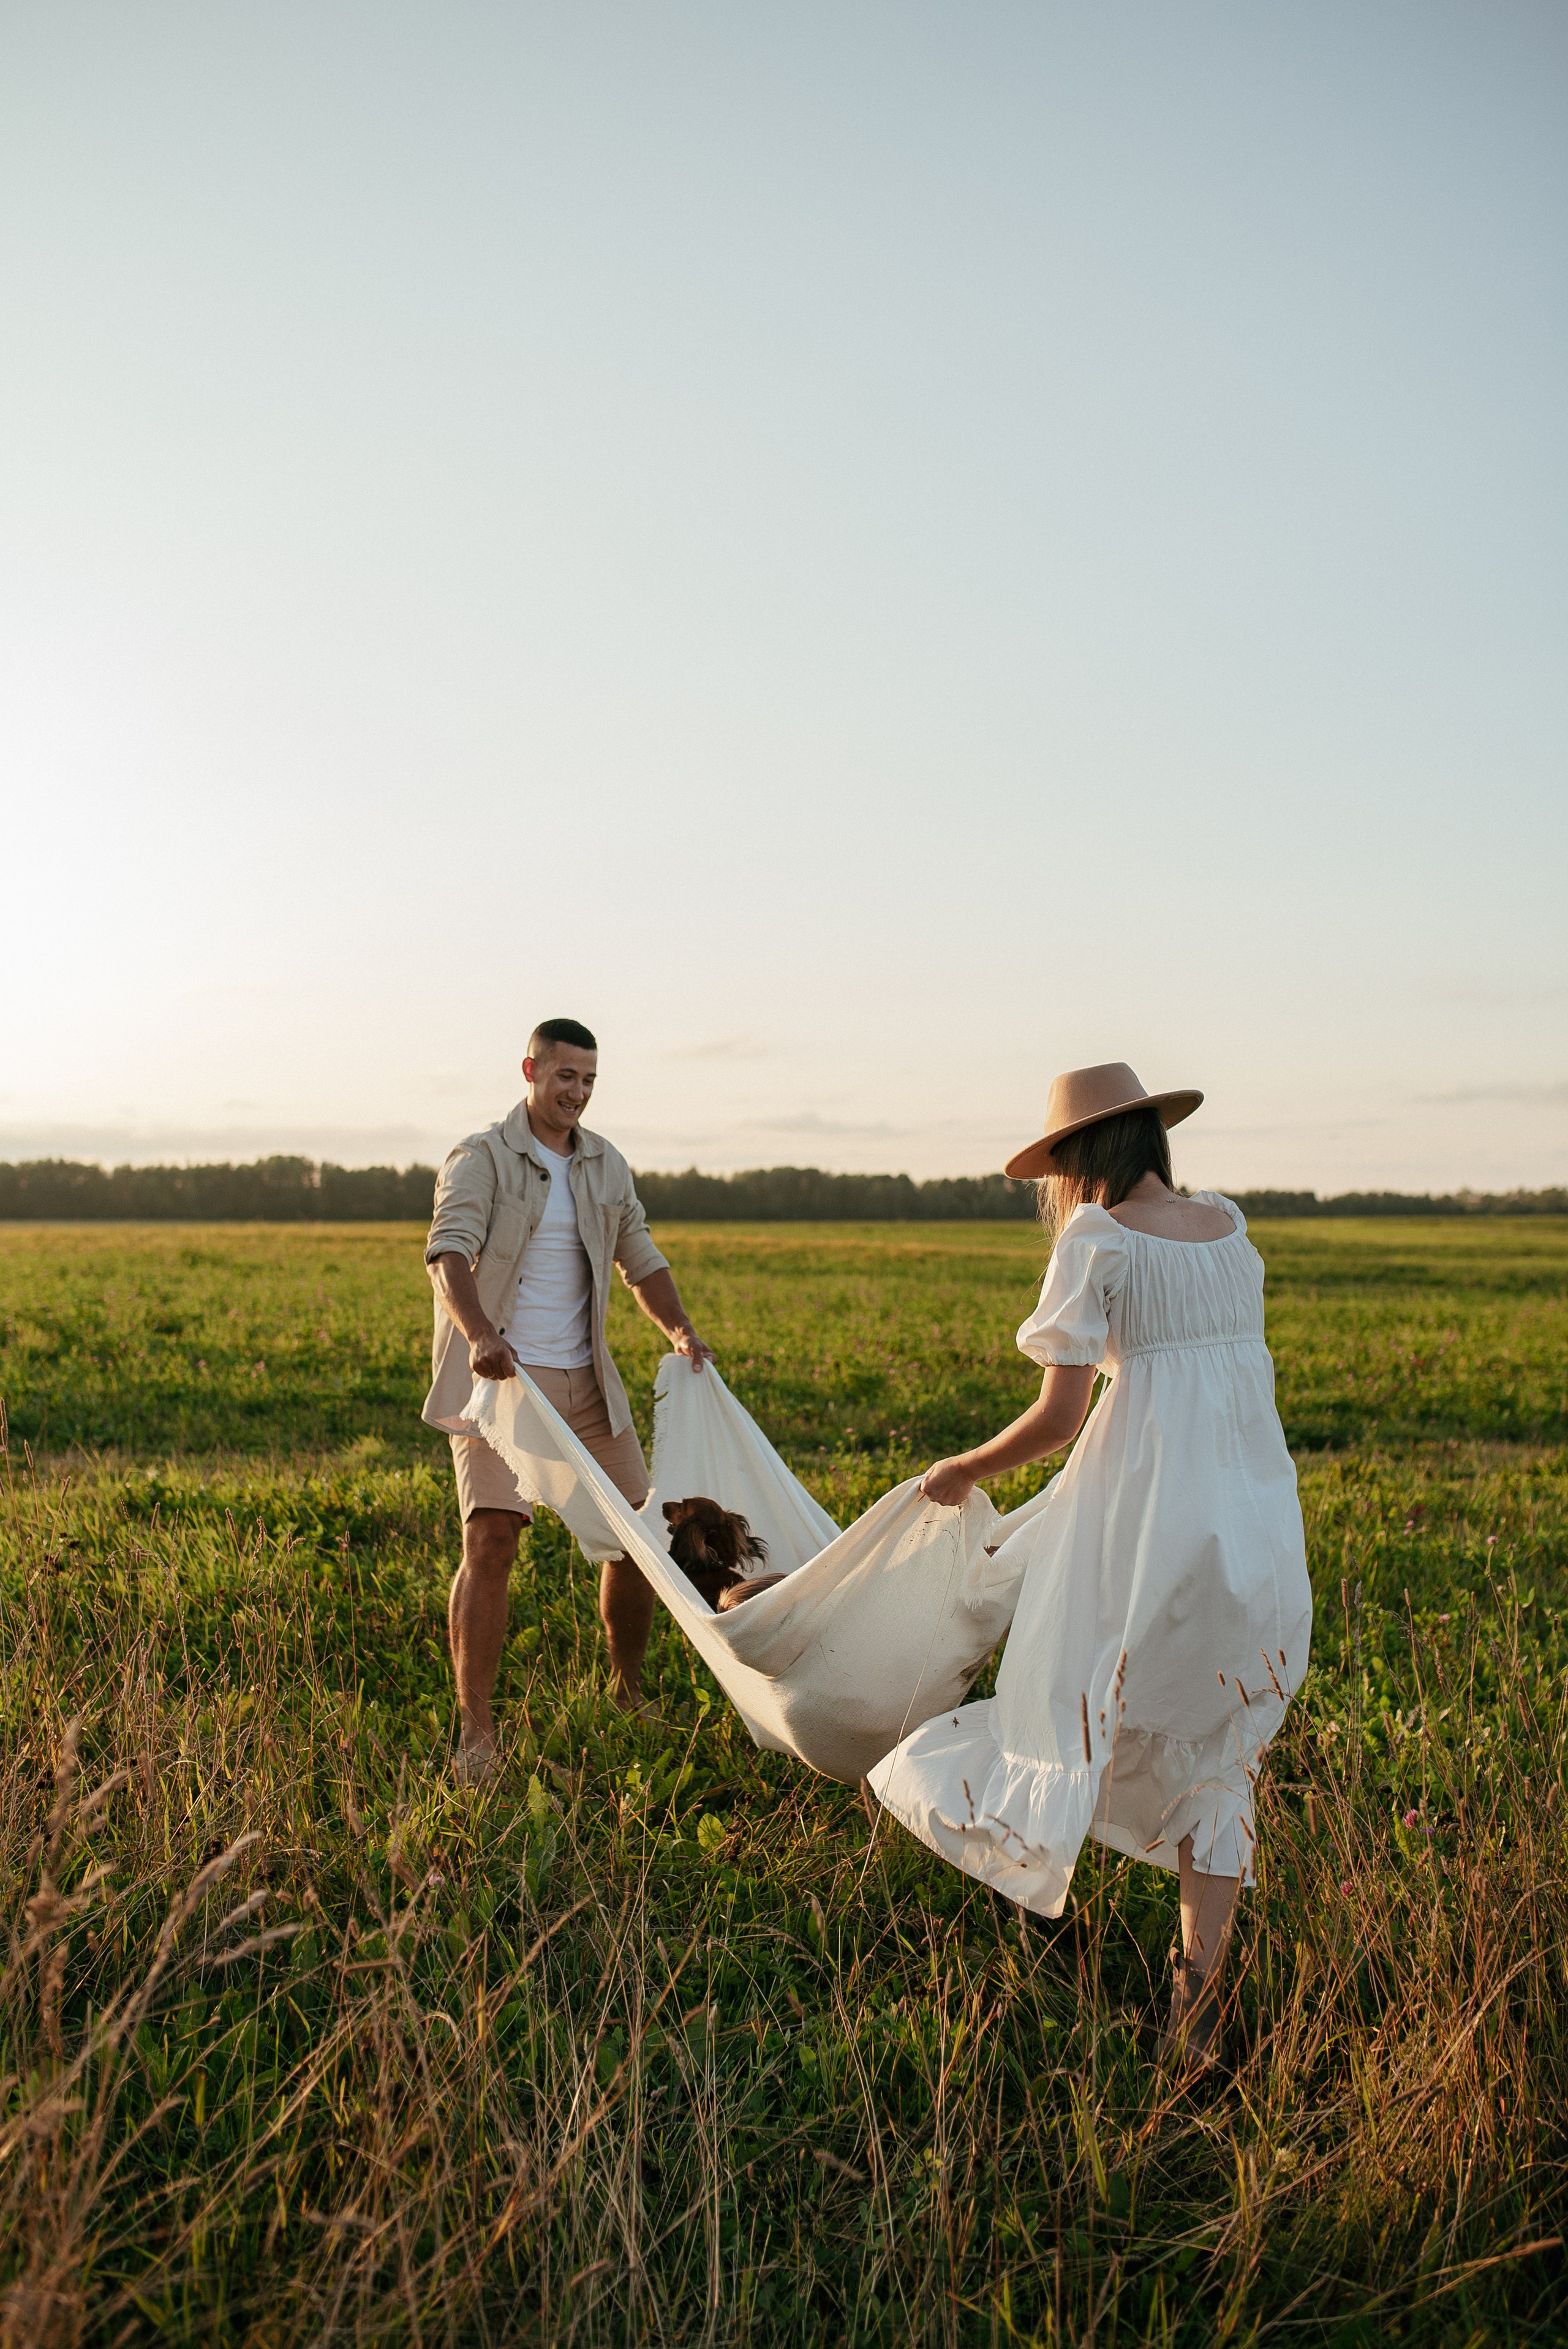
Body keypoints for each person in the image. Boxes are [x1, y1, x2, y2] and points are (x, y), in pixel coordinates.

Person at [869, 1062, 1312, 2074]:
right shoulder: (1231, 1229)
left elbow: (1062, 1416)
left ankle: (1036, 1927)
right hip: (1254, 1534)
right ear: (1151, 1137)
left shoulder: (1095, 1238)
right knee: (1218, 1760)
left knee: (1052, 1714)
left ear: (1077, 1162)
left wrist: (963, 1467)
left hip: (1142, 1530)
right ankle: (1193, 2020)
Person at [422, 1018, 713, 1773]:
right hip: (502, 1377)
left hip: (586, 1379)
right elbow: (447, 1252)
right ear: (530, 1070)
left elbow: (639, 1258)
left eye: (588, 1080)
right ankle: (476, 1733)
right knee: (491, 1538)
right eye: (565, 1077)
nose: (577, 1092)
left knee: (640, 1542)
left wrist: (680, 1331)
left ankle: (625, 1692)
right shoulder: (481, 1157)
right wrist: (482, 1333)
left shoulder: (605, 1164)